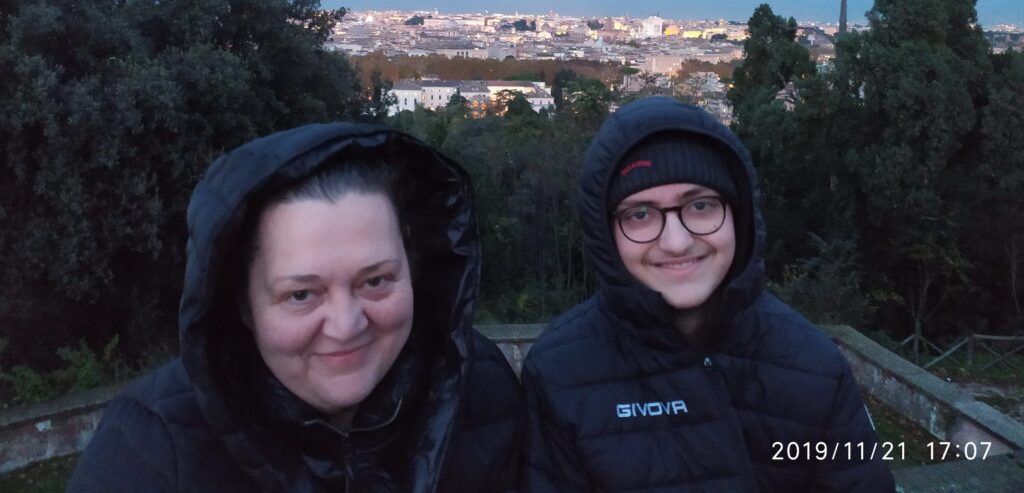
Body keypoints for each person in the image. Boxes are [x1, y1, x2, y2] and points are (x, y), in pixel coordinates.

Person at [69, 122, 522, 492]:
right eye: (301, 295)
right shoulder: (150, 451)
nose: (346, 326)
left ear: (414, 270)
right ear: (244, 304)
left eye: (376, 281)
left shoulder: (481, 387)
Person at [522, 96, 895, 492]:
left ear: (739, 215)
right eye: (640, 214)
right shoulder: (559, 372)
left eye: (700, 205)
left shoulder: (813, 364)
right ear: (605, 235)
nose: (677, 242)